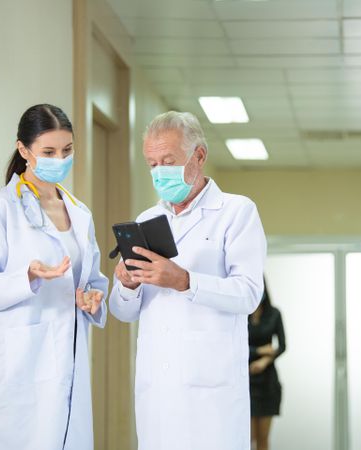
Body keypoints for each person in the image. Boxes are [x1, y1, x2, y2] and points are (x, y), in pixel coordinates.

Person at [109, 111, 266, 450]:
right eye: (152, 164)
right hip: (157, 394)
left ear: (199, 155)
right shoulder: (147, 219)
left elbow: (248, 294)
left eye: (168, 160)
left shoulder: (237, 212)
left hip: (211, 398)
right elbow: (123, 312)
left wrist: (185, 281)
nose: (159, 172)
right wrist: (127, 284)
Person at [0, 104, 108, 450]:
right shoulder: (0, 209)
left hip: (69, 358)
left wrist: (91, 297)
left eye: (67, 150)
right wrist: (26, 276)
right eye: (49, 152)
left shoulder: (79, 213)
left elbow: (93, 279)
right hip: (21, 364)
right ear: (24, 150)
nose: (60, 159)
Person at [248, 283, 286, 450]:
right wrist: (260, 350)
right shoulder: (242, 313)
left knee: (263, 438)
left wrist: (264, 361)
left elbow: (282, 346)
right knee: (248, 437)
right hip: (246, 380)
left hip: (267, 382)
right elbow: (235, 346)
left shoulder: (274, 314)